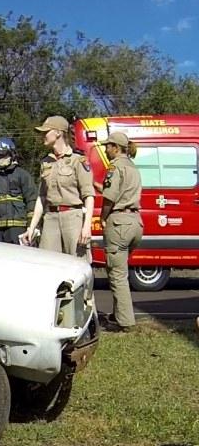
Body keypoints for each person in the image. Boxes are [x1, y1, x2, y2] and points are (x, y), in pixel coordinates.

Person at [20, 116, 94, 257]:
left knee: (78, 262)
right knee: (48, 262)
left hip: (73, 218)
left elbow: (88, 195)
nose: (42, 135)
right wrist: (32, 227)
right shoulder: (46, 162)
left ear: (58, 133)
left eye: (46, 132)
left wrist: (86, 227)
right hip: (50, 219)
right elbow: (42, 197)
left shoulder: (78, 160)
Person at [98, 131, 143, 331]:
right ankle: (118, 315)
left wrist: (103, 217)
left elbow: (110, 198)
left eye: (108, 146)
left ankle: (126, 322)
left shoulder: (115, 167)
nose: (106, 150)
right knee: (121, 269)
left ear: (116, 148)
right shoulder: (133, 167)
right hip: (136, 222)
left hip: (119, 223)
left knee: (117, 275)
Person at [0, 137, 37, 244]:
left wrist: (31, 225)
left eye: (3, 155)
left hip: (17, 228)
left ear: (12, 155)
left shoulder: (22, 175)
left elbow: (32, 200)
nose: (0, 159)